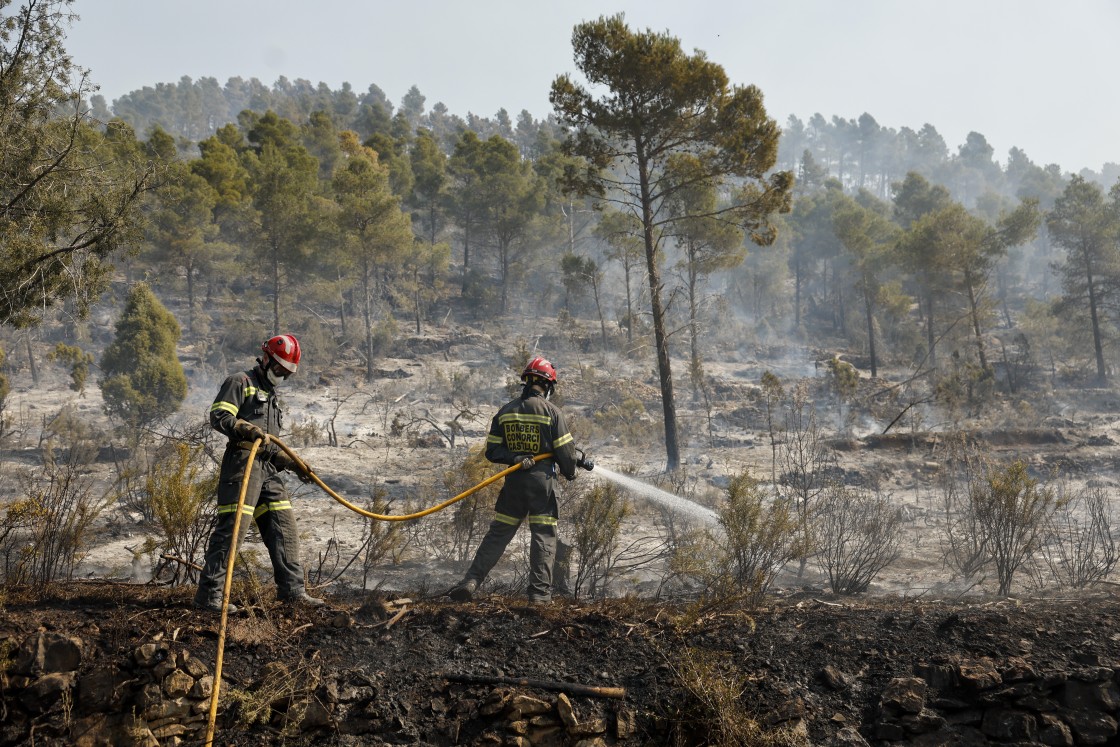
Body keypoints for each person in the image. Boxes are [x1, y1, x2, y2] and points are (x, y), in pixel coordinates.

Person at [193, 334, 324, 612]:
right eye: (279, 370)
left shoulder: (272, 397)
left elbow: (270, 445)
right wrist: (244, 427)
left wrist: (291, 462)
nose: (281, 376)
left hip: (267, 470)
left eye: (287, 374)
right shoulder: (241, 382)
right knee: (233, 530)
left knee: (283, 527)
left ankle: (292, 591)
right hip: (243, 464)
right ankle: (209, 597)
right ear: (266, 359)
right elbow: (219, 415)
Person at [449, 356, 592, 604]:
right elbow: (565, 453)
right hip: (542, 485)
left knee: (499, 533)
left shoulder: (505, 412)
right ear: (547, 386)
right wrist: (571, 471)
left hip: (514, 483)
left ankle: (470, 582)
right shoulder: (552, 413)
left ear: (526, 381)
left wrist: (515, 457)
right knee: (543, 535)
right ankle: (539, 595)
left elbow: (492, 451)